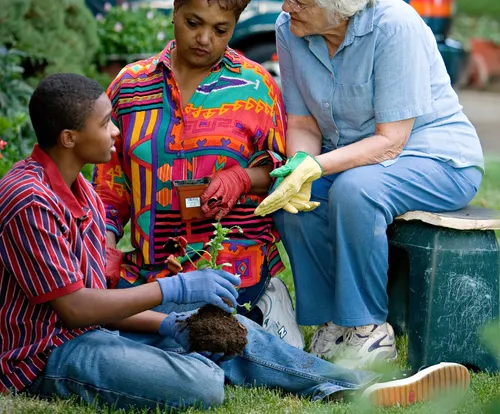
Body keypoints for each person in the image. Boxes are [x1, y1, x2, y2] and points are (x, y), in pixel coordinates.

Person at [0, 72, 472, 410]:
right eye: (105, 124)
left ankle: (352, 388)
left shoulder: (77, 184)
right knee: (202, 384)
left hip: (91, 329)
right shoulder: (29, 200)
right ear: (68, 137)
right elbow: (75, 309)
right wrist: (175, 292)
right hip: (45, 355)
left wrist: (169, 324)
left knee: (216, 328)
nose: (117, 132)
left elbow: (94, 306)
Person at [255, 0, 484, 368]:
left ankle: (367, 327)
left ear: (336, 2)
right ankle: (332, 323)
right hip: (357, 160)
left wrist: (318, 167)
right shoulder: (290, 29)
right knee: (293, 200)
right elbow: (302, 121)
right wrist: (299, 162)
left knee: (354, 191)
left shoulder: (394, 26)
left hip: (437, 158)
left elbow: (390, 141)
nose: (286, 7)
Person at [93, 0, 302, 348]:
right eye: (194, 23)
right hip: (153, 275)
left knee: (188, 339)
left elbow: (283, 175)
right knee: (114, 329)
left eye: (220, 30)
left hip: (232, 268)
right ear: (174, 10)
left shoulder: (256, 89)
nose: (204, 39)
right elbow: (109, 186)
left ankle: (263, 306)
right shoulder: (130, 86)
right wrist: (102, 245)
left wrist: (241, 178)